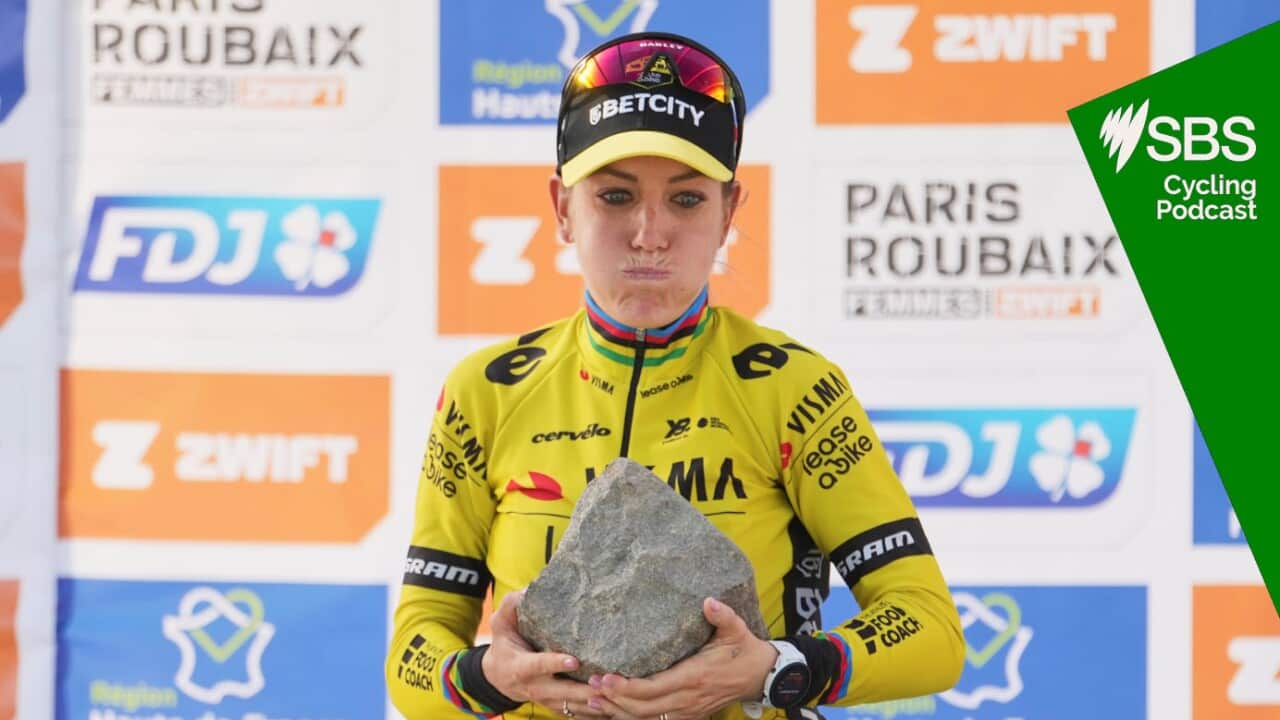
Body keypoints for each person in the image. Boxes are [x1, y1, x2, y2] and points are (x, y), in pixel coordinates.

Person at [386, 32, 964, 720]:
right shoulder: (487, 390)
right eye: (615, 195)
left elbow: (930, 630)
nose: (649, 234)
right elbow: (412, 654)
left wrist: (777, 669)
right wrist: (484, 677)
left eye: (687, 200)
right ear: (562, 208)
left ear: (729, 213)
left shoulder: (793, 388)